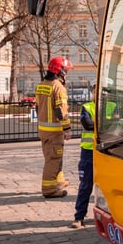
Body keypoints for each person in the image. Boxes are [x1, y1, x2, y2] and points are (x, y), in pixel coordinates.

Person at [35, 56, 73, 198]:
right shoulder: (58, 87)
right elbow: (60, 110)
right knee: (53, 159)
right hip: (54, 132)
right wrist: (67, 129)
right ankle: (49, 190)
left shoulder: (41, 85)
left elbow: (38, 107)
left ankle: (59, 181)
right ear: (61, 71)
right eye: (66, 71)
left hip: (44, 130)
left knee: (52, 156)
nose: (67, 74)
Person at [72, 84, 98, 228]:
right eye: (94, 91)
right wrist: (105, 123)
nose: (96, 94)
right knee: (86, 185)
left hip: (108, 151)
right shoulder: (87, 107)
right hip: (88, 151)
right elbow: (87, 124)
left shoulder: (112, 106)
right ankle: (79, 217)